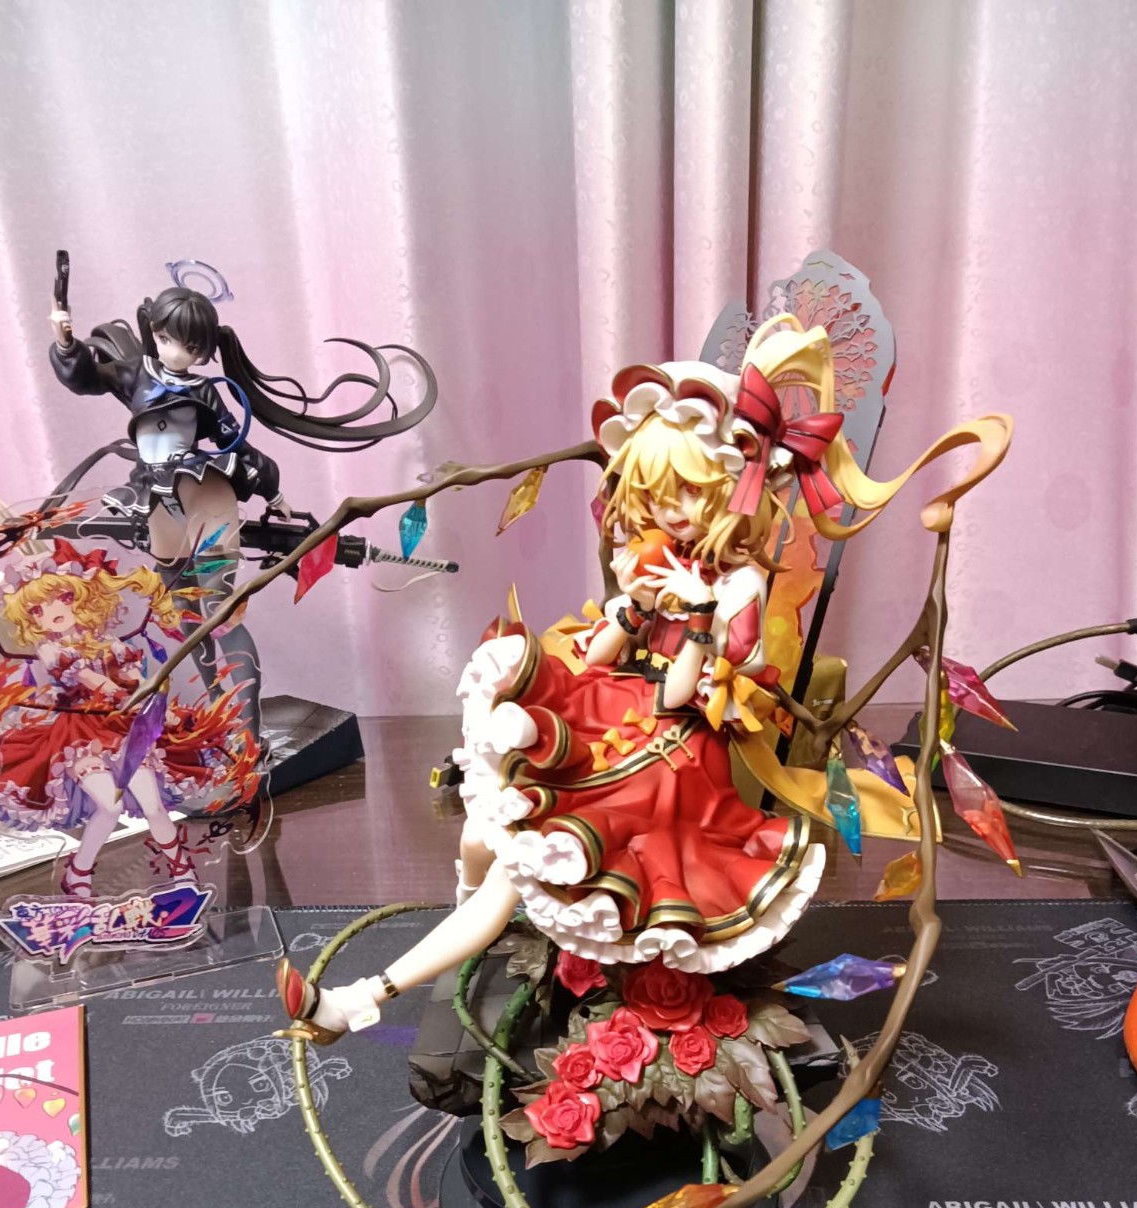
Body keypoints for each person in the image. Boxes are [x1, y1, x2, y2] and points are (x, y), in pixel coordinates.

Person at [275, 312, 967, 1042]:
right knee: (483, 836)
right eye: (657, 493)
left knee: (513, 866)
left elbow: (683, 694)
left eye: (687, 492)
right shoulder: (653, 560)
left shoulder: (738, 587)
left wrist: (695, 614)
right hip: (612, 710)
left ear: (729, 489)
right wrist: (633, 605)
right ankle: (467, 942)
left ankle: (359, 1000)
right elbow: (599, 657)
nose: (670, 510)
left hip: (677, 757)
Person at [49, 283, 436, 741]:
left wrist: (274, 493)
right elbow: (86, 378)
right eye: (167, 338)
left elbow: (237, 443)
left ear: (203, 352)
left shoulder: (205, 391)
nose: (175, 352)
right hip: (156, 497)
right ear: (153, 330)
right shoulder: (134, 373)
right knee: (182, 608)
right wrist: (66, 343)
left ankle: (250, 735)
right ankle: (220, 712)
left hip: (204, 492)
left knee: (219, 608)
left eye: (189, 347)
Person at [0, 540, 259, 898]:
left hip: (125, 730)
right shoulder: (52, 650)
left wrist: (158, 704)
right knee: (109, 807)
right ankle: (79, 874)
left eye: (63, 598)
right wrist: (132, 696)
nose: (53, 611)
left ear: (82, 596)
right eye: (37, 609)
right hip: (79, 737)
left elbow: (137, 682)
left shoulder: (110, 643)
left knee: (153, 805)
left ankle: (182, 873)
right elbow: (94, 682)